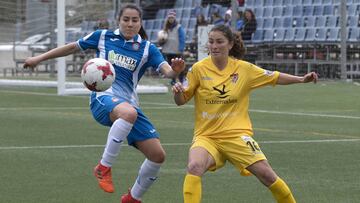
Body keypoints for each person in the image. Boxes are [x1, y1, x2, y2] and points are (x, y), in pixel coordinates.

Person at [23, 4, 185, 203]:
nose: (130, 24)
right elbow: (72, 47)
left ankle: (132, 198)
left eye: (135, 20)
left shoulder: (147, 48)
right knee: (128, 114)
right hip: (103, 99)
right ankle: (103, 167)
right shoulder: (103, 36)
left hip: (128, 105)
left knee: (157, 155)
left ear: (140, 22)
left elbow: (167, 71)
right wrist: (39, 58)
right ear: (119, 20)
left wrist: (175, 70)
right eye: (126, 19)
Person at [172, 24, 318, 203]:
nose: (214, 46)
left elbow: (274, 76)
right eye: (211, 42)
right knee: (194, 166)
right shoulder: (197, 69)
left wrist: (301, 79)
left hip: (237, 136)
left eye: (219, 42)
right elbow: (180, 101)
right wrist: (178, 91)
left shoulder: (244, 69)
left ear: (230, 44)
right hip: (207, 136)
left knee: (267, 175)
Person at [159, 10, 186, 85]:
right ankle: (173, 80)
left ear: (174, 18)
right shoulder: (165, 28)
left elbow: (182, 38)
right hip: (168, 50)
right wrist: (161, 41)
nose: (171, 19)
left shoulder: (178, 27)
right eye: (170, 18)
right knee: (171, 67)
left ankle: (181, 80)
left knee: (180, 66)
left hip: (176, 50)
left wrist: (181, 48)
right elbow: (162, 37)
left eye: (172, 17)